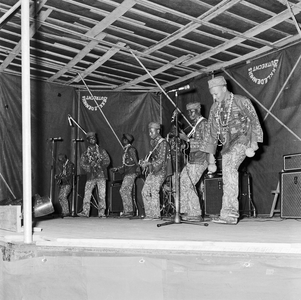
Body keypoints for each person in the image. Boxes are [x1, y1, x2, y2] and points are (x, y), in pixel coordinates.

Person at [204, 76, 263, 225]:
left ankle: (230, 213)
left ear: (224, 88)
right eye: (211, 94)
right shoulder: (214, 108)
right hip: (227, 145)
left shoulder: (241, 100)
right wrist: (211, 158)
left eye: (216, 93)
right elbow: (211, 133)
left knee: (229, 166)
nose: (214, 97)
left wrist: (254, 142)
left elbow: (254, 120)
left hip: (243, 140)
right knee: (228, 170)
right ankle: (227, 212)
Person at [178, 102, 209, 221]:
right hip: (193, 159)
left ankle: (195, 213)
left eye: (193, 111)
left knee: (188, 182)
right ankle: (187, 211)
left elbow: (205, 143)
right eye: (189, 111)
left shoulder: (204, 124)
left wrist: (187, 140)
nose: (190, 114)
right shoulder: (196, 125)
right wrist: (185, 144)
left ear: (199, 110)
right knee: (183, 180)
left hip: (201, 159)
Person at [140, 122, 172, 220]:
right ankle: (149, 214)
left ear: (158, 131)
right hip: (153, 171)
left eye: (151, 131)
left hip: (161, 171)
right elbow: (154, 158)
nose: (149, 133)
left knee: (154, 190)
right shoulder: (153, 142)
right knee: (144, 191)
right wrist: (145, 162)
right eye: (149, 131)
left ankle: (156, 215)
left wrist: (149, 164)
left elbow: (162, 160)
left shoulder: (163, 143)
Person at [78, 132, 110, 218]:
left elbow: (107, 161)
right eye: (91, 138)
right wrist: (90, 167)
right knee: (87, 194)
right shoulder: (85, 153)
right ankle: (85, 212)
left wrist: (99, 165)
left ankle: (102, 213)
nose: (93, 140)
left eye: (94, 138)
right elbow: (82, 163)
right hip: (91, 176)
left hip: (101, 175)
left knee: (102, 194)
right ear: (88, 140)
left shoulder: (102, 151)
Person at [112, 133, 140, 217]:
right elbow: (125, 164)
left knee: (124, 190)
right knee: (125, 191)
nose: (121, 141)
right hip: (128, 172)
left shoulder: (131, 149)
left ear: (125, 140)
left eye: (122, 139)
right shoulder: (126, 150)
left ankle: (129, 211)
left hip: (131, 173)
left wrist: (138, 168)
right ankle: (128, 211)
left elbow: (135, 160)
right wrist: (117, 169)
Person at [55, 153, 75, 218]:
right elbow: (62, 174)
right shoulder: (63, 165)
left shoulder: (70, 164)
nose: (60, 161)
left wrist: (60, 176)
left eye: (61, 160)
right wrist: (58, 176)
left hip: (68, 183)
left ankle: (66, 212)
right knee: (60, 197)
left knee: (63, 196)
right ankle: (64, 211)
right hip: (64, 183)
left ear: (64, 159)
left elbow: (69, 175)